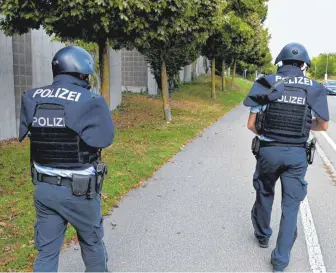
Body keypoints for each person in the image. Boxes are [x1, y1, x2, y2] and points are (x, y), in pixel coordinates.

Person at [19, 46, 114, 272]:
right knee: (91, 244)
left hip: (44, 190)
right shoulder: (91, 100)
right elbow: (105, 138)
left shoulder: (31, 97)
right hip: (80, 193)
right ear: (81, 74)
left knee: (47, 254)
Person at [243, 42, 329, 272]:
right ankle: (280, 261)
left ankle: (262, 235)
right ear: (303, 64)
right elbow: (323, 125)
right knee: (291, 206)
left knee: (264, 192)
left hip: (268, 152)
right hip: (296, 155)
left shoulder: (266, 82)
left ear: (280, 61)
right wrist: (303, 126)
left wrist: (267, 134)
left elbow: (251, 124)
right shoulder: (314, 86)